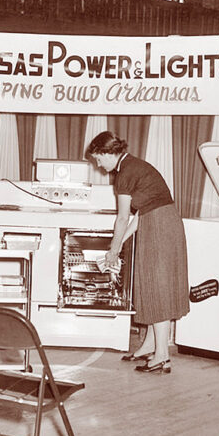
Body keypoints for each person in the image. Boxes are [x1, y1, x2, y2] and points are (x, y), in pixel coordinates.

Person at [86, 131, 189, 374]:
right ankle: (149, 347)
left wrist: (112, 249)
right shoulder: (134, 165)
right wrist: (119, 245)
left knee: (157, 288)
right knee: (154, 285)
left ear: (107, 153)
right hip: (162, 222)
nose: (99, 166)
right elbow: (140, 214)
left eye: (99, 159)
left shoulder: (124, 173)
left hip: (159, 227)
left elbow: (122, 218)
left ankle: (162, 356)